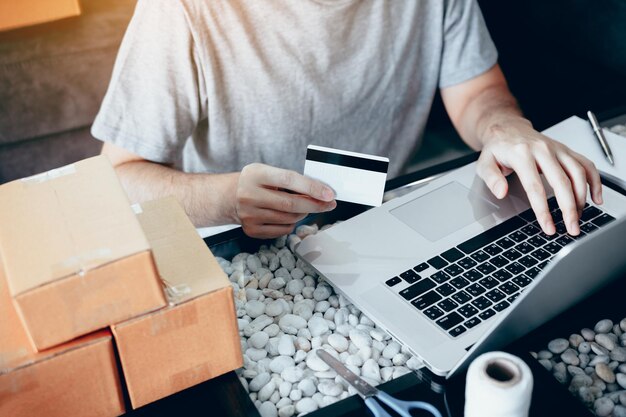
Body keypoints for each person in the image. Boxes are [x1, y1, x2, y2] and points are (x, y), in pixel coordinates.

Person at [93, 0, 603, 239]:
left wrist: (503, 126)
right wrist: (226, 198)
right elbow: (117, 178)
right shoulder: (182, 9)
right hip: (238, 238)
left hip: (377, 214)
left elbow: (478, 90)